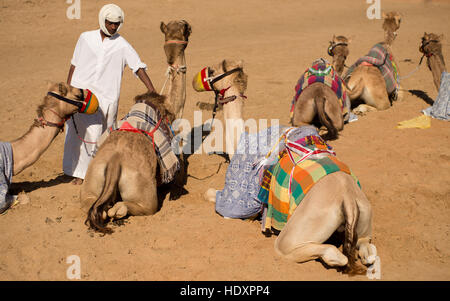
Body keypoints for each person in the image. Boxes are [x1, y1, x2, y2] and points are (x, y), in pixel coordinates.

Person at [63, 4, 156, 185]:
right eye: (110, 22)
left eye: (116, 23)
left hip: (104, 99)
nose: (113, 27)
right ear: (102, 20)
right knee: (77, 135)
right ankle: (77, 172)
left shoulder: (122, 45)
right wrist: (68, 91)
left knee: (97, 136)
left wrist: (152, 90)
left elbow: (138, 67)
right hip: (80, 95)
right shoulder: (85, 38)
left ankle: (90, 174)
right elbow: (74, 65)